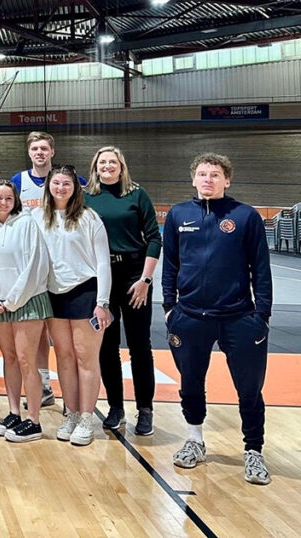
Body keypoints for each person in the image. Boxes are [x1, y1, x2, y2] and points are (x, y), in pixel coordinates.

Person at [163, 153, 272, 486]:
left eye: (215, 174)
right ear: (193, 179)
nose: (208, 179)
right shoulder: (178, 214)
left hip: (239, 318)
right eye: (202, 174)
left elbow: (261, 270)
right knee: (190, 383)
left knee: (249, 389)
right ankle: (195, 440)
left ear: (227, 180)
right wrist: (169, 308)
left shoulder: (246, 216)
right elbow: (170, 265)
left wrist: (262, 315)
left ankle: (253, 450)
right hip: (189, 317)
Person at [84, 147, 161, 437]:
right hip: (102, 276)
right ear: (95, 167)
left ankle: (145, 409)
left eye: (112, 162)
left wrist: (145, 280)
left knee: (140, 346)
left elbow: (154, 238)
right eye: (102, 162)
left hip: (134, 276)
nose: (107, 166)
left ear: (121, 166)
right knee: (107, 345)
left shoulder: (137, 195)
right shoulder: (86, 197)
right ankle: (115, 407)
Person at [33, 166, 112, 446]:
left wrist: (102, 302)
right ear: (48, 186)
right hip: (52, 293)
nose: (61, 188)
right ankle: (71, 413)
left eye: (66, 184)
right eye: (56, 183)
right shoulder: (37, 217)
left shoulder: (89, 218)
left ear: (75, 188)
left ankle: (87, 418)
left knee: (85, 358)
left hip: (85, 292)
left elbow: (103, 262)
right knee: (64, 357)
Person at [9, 131, 84, 409]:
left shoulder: (69, 180)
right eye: (35, 149)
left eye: (44, 148)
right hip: (32, 265)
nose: (39, 153)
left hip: (65, 264)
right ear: (29, 153)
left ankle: (73, 392)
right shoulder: (19, 181)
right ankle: (43, 385)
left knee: (66, 335)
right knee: (37, 330)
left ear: (52, 151)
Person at [0, 179, 52, 443]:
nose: (3, 202)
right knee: (9, 358)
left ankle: (34, 419)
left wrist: (13, 300)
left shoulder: (27, 224)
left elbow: (35, 265)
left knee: (26, 360)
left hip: (26, 302)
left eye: (8, 198)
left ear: (15, 200)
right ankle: (13, 412)